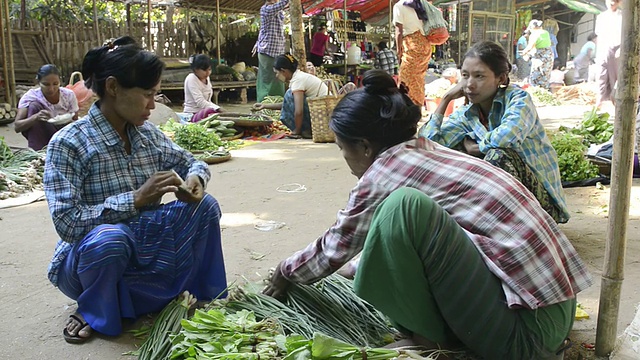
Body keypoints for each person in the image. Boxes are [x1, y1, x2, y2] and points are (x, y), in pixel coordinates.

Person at [263, 69, 592, 359]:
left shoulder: (385, 174)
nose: (346, 160)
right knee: (401, 214)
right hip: (555, 312)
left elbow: (336, 245)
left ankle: (427, 342)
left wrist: (285, 272)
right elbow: (420, 246)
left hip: (525, 336)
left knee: (403, 207)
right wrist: (356, 268)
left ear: (363, 145)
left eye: (342, 149)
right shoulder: (426, 150)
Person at [44, 36, 227, 344]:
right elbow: (67, 223)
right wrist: (135, 199)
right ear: (113, 88)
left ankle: (201, 294)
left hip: (144, 250)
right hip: (91, 260)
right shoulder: (69, 143)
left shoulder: (148, 135)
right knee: (110, 239)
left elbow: (192, 162)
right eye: (147, 94)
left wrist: (195, 180)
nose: (152, 105)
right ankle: (94, 308)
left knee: (204, 206)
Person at [420, 41, 569, 223]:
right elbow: (429, 148)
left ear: (501, 78)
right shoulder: (467, 114)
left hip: (540, 207)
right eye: (465, 76)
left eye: (479, 76)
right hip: (500, 201)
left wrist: (476, 149)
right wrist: (446, 99)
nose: (470, 85)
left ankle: (502, 228)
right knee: (453, 153)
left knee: (497, 155)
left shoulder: (518, 99)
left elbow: (507, 137)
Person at [252, 54, 328, 138]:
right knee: (289, 95)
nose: (276, 76)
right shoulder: (299, 76)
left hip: (322, 114)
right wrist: (264, 106)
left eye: (277, 73)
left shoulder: (297, 81)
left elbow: (299, 111)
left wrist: (297, 131)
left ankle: (305, 130)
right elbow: (287, 104)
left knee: (289, 94)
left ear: (283, 71)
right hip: (322, 112)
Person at [393, 0, 449, 106]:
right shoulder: (418, 4)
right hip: (424, 43)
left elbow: (399, 31)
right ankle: (417, 109)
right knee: (418, 79)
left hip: (412, 44)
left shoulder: (399, 6)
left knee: (406, 81)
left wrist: (398, 51)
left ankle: (410, 110)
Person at [14, 64, 79, 150]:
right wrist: (36, 117)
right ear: (38, 82)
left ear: (60, 81)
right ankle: (38, 151)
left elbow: (75, 119)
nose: (51, 89)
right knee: (34, 106)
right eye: (46, 84)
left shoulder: (68, 95)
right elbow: (17, 127)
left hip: (64, 134)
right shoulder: (31, 96)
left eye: (55, 84)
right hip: (43, 133)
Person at [253, 0, 289, 102]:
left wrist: (257, 43)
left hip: (278, 50)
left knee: (279, 78)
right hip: (267, 51)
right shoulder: (266, 9)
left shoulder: (278, 11)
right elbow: (282, 3)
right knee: (267, 79)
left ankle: (278, 102)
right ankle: (263, 103)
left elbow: (263, 29)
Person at [595, 0, 622, 108]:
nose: (612, 3)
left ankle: (616, 101)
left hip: (618, 49)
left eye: (615, 0)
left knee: (616, 76)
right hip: (604, 48)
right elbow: (599, 35)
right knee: (601, 74)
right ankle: (599, 100)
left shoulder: (622, 16)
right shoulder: (602, 17)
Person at [183, 54, 222, 123]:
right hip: (192, 114)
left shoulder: (207, 78)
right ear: (195, 69)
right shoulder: (191, 78)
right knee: (211, 111)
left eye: (209, 69)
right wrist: (217, 108)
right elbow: (200, 102)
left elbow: (208, 101)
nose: (208, 73)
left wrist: (216, 108)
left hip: (205, 111)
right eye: (204, 70)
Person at [522, 20, 553, 89]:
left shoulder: (534, 34)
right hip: (549, 55)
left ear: (532, 27)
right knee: (545, 75)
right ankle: (545, 90)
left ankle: (535, 91)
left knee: (535, 76)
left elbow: (530, 46)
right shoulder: (546, 33)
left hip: (540, 57)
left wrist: (524, 52)